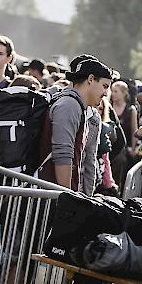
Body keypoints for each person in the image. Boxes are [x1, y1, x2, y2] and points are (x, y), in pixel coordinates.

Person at [39, 55, 112, 190]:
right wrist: (66, 197)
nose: (106, 93)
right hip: (49, 196)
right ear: (90, 79)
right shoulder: (69, 105)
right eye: (104, 86)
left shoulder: (77, 106)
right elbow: (62, 155)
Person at [110, 80, 138, 186]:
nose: (113, 94)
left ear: (123, 93)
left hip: (124, 147)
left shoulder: (130, 110)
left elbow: (134, 131)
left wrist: (133, 148)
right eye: (112, 91)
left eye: (116, 91)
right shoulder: (108, 107)